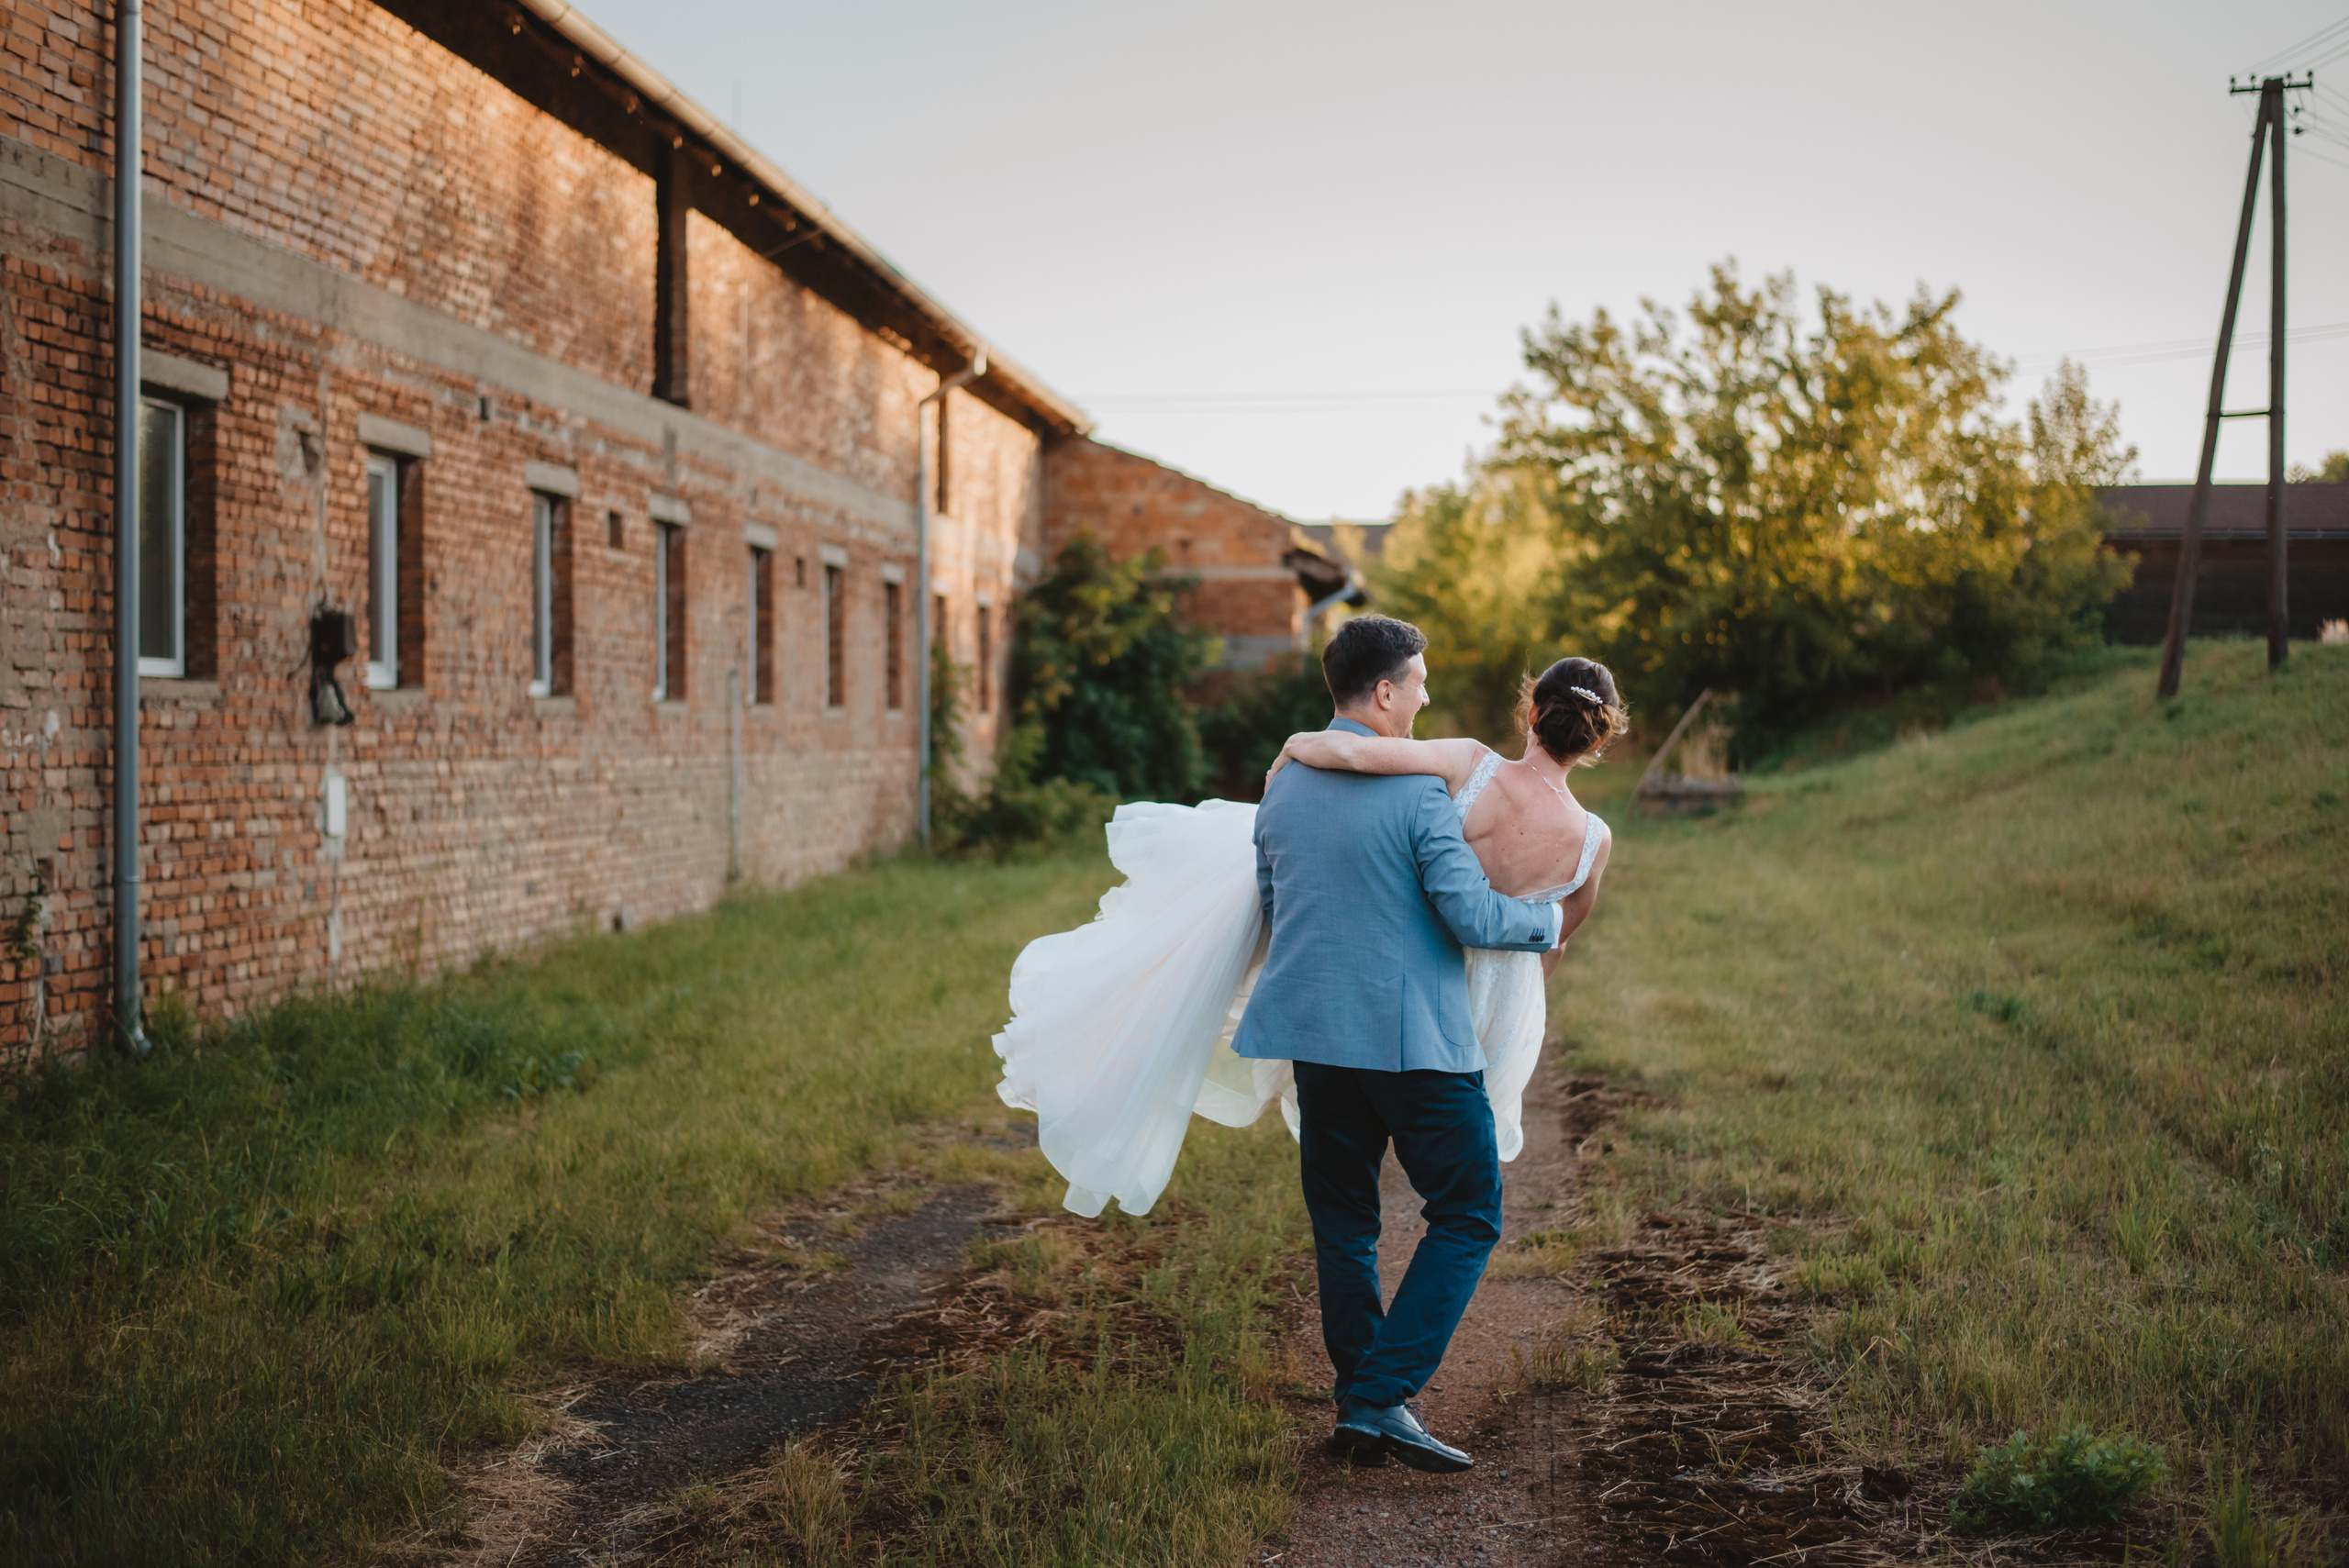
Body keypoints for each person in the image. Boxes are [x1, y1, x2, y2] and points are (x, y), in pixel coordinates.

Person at [991, 617, 1623, 1473]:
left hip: (1316, 1038)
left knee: (1345, 1222)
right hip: (1414, 1041)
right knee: (1471, 1211)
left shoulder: (1285, 786)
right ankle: (1379, 1393)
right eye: (1420, 681)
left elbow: (1272, 900)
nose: (1428, 694)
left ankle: (1364, 1397)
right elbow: (1472, 914)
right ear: (1388, 690)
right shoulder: (1423, 797)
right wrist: (1546, 917)